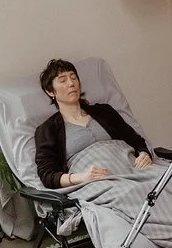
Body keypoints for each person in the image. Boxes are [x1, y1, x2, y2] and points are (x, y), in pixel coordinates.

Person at [32, 59, 154, 189]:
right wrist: (82, 177)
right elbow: (47, 175)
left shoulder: (105, 111)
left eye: (74, 78)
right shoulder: (47, 130)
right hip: (99, 184)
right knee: (138, 196)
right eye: (63, 80)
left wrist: (144, 154)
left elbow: (136, 141)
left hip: (135, 171)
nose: (71, 83)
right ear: (50, 91)